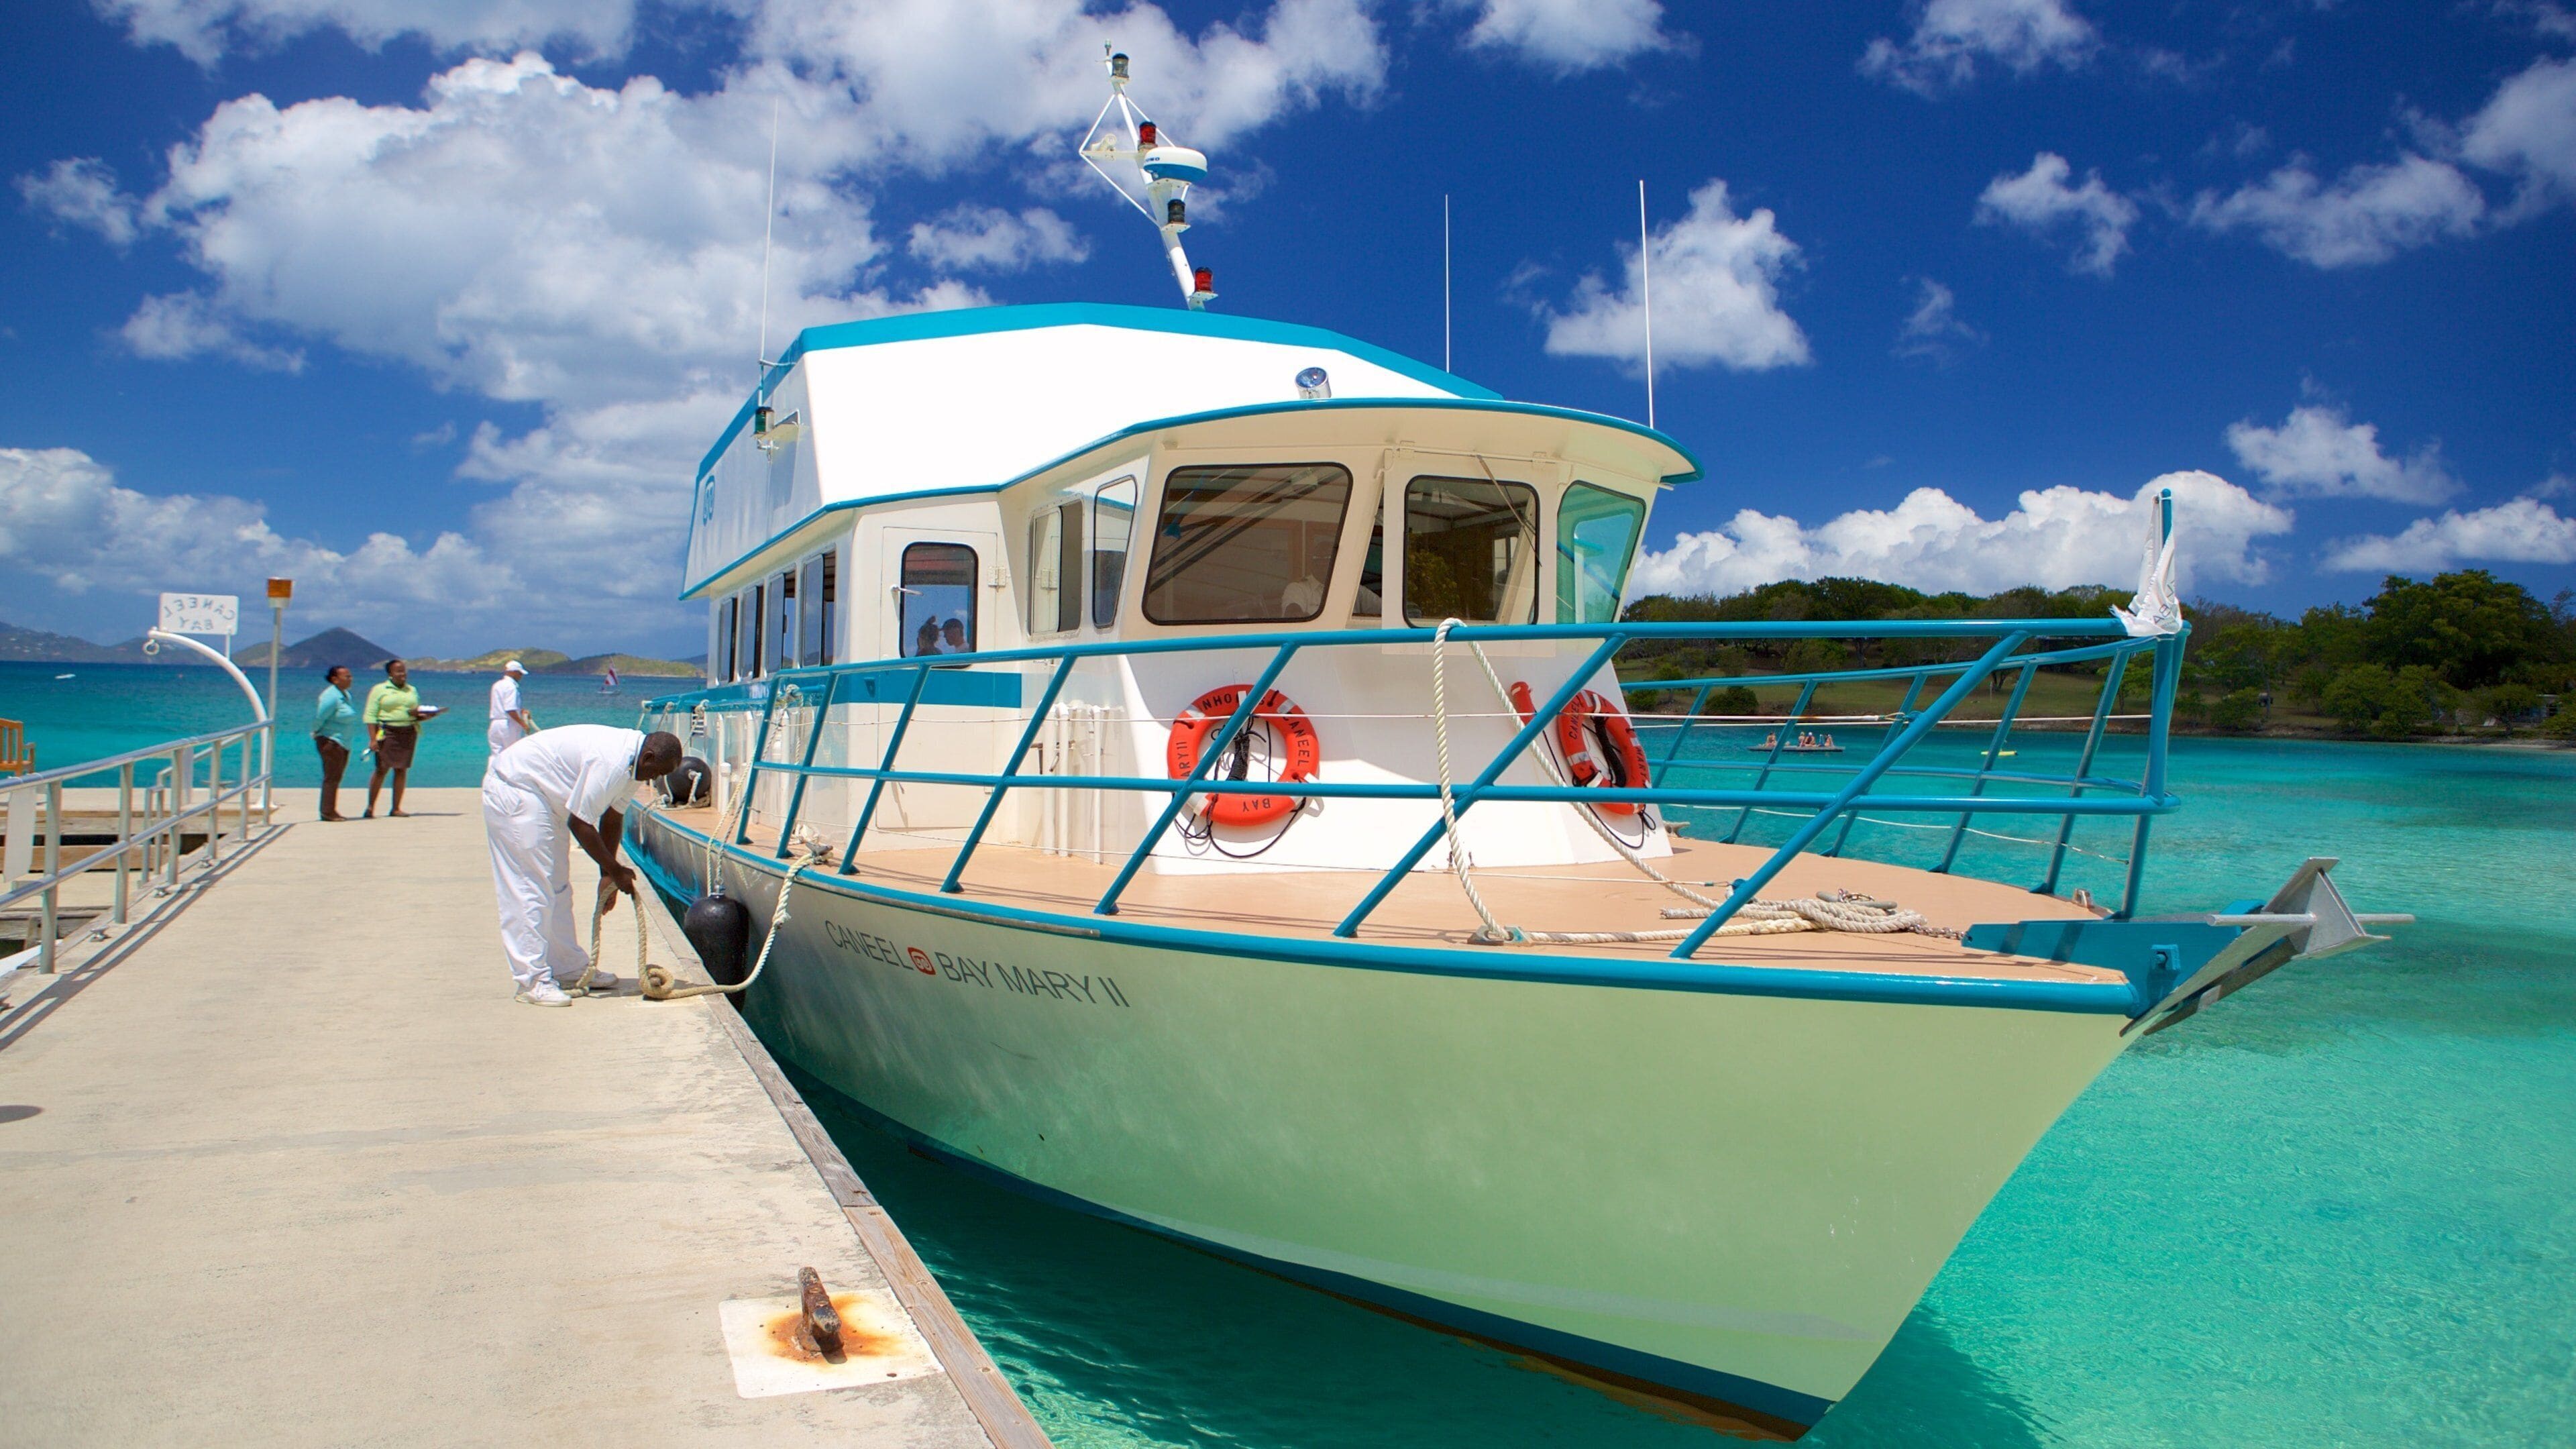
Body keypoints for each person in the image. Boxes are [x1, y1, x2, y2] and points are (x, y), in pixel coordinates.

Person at [482, 725, 683, 1006]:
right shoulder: (612, 761)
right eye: (658, 772)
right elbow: (580, 823)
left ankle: (566, 967)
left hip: (545, 799)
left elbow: (612, 817)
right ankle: (531, 981)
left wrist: (606, 876)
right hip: (516, 789)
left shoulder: (636, 765)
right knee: (530, 888)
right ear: (649, 757)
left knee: (558, 886)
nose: (657, 779)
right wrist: (615, 870)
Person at [364, 658, 424, 818]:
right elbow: (370, 715)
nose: (403, 674)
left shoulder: (411, 690)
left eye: (404, 670)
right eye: (398, 671)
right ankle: (370, 807)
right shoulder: (379, 689)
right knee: (381, 769)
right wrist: (373, 739)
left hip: (408, 731)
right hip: (387, 731)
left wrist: (424, 715)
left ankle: (396, 808)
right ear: (390, 673)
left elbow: (415, 710)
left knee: (402, 769)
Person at [313, 665, 360, 821]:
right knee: (331, 776)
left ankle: (331, 809)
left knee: (337, 776)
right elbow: (320, 717)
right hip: (331, 740)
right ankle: (328, 812)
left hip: (343, 742)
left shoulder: (345, 695)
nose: (350, 679)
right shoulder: (330, 696)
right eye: (347, 676)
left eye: (350, 676)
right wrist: (316, 732)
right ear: (335, 679)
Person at [488, 659, 535, 757]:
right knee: (511, 754)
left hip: (495, 723)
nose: (521, 676)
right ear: (514, 672)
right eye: (519, 673)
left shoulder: (497, 685)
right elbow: (510, 709)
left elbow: (502, 704)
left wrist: (521, 710)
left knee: (496, 755)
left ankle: (492, 772)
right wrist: (523, 724)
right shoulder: (511, 687)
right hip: (508, 724)